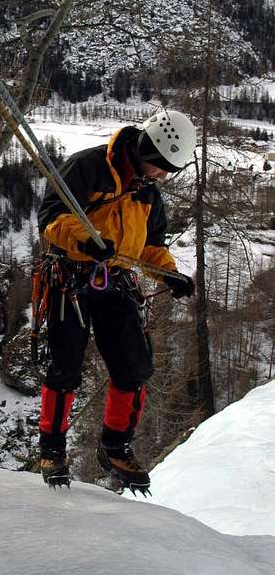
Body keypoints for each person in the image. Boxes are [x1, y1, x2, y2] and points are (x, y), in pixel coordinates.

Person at [36, 109, 196, 494]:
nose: (162, 176)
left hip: (114, 279)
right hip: (70, 276)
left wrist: (170, 275)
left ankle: (115, 447)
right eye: (159, 167)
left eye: (167, 170)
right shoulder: (88, 167)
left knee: (133, 367)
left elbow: (152, 247)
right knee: (65, 365)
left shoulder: (147, 193)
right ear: (144, 149)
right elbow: (51, 218)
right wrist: (83, 239)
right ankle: (52, 448)